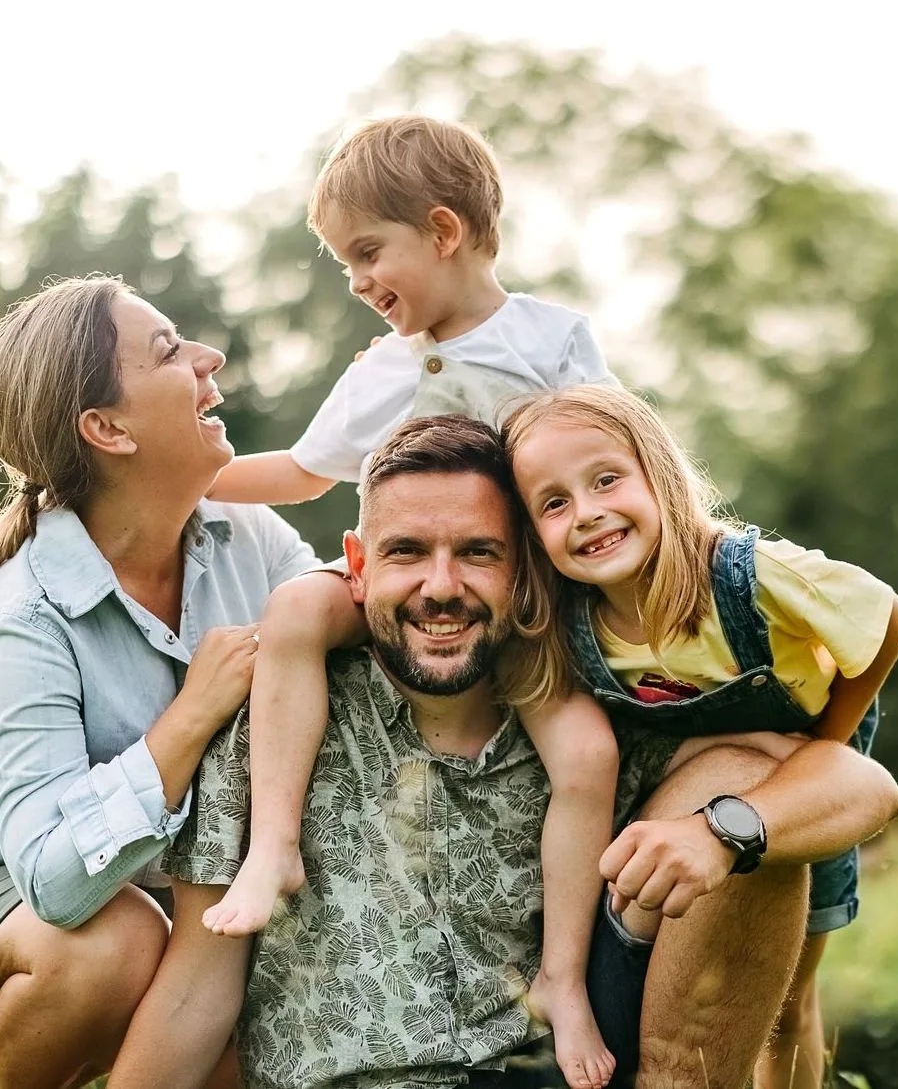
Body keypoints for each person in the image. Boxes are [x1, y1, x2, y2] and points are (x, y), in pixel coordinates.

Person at [109, 415, 898, 1089]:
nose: (442, 586)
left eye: (479, 553)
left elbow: (859, 785)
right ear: (355, 566)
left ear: (525, 569)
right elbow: (194, 994)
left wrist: (721, 828)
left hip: (554, 1069)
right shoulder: (271, 729)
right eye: (407, 552)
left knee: (746, 807)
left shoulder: (611, 716)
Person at [200, 114, 621, 1087]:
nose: (355, 282)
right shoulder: (377, 373)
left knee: (588, 754)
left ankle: (558, 977)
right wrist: (187, 479)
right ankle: (273, 847)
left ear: (441, 230)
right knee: (298, 612)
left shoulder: (550, 340)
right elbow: (304, 473)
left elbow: (612, 458)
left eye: (364, 253)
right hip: (399, 591)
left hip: (517, 607)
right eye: (342, 263)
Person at [0, 275, 321, 1088]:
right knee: (118, 945)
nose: (209, 360)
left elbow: (328, 620)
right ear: (106, 428)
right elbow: (52, 878)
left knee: (244, 994)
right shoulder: (27, 616)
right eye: (171, 352)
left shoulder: (247, 534)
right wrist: (189, 718)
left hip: (153, 894)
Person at [502, 385, 898, 1088]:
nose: (588, 513)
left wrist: (828, 744)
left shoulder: (752, 576)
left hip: (802, 787)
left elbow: (886, 620)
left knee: (790, 1002)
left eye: (606, 480)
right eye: (554, 502)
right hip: (693, 795)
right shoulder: (575, 624)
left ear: (656, 473)